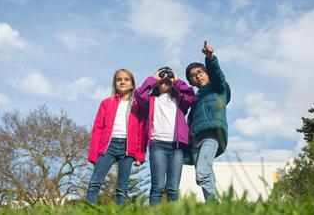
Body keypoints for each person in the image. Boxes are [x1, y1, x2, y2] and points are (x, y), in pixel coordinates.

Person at [135, 67, 196, 205]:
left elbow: (191, 97)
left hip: (176, 147)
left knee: (173, 188)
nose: (165, 80)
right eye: (162, 77)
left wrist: (178, 81)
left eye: (168, 78)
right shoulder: (150, 99)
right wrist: (153, 79)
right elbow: (138, 95)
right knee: (158, 186)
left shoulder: (179, 100)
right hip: (158, 145)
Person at [86, 69, 146, 205]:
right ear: (115, 83)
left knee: (122, 188)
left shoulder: (139, 105)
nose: (122, 81)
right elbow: (97, 129)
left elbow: (142, 130)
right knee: (95, 182)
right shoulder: (106, 103)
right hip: (108, 146)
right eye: (119, 79)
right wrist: (93, 154)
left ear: (132, 84)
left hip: (127, 147)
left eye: (126, 79)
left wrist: (140, 154)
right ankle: (88, 210)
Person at [185, 41, 231, 202]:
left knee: (202, 173)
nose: (197, 76)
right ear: (191, 82)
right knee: (207, 174)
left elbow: (218, 75)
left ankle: (213, 205)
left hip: (211, 136)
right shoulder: (194, 99)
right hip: (195, 140)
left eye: (200, 72)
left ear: (207, 73)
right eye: (193, 76)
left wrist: (210, 58)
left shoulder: (218, 88)